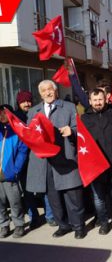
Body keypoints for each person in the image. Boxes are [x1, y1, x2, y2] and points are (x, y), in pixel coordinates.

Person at [26, 80, 86, 239]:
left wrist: (71, 131)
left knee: (72, 194)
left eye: (50, 89)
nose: (48, 93)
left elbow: (79, 129)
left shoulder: (69, 107)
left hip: (65, 157)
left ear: (56, 90)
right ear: (40, 94)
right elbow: (29, 135)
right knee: (53, 197)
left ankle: (78, 226)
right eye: (44, 91)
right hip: (44, 161)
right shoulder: (33, 111)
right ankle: (63, 225)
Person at [81, 89, 112, 235]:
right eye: (95, 100)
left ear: (106, 99)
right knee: (98, 199)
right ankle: (103, 223)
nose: (98, 103)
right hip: (95, 167)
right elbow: (81, 142)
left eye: (100, 100)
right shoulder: (84, 118)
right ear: (90, 101)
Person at [14, 90, 56, 229]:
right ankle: (34, 217)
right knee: (28, 191)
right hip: (22, 162)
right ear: (18, 103)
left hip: (37, 158)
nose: (26, 104)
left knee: (43, 188)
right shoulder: (15, 118)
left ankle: (49, 215)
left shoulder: (37, 113)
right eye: (23, 101)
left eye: (28, 101)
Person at [0, 105, 28, 238]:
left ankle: (19, 225)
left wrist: (16, 170)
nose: (2, 116)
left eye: (5, 113)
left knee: (14, 201)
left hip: (10, 173)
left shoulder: (17, 130)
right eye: (0, 114)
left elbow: (22, 152)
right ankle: (4, 225)